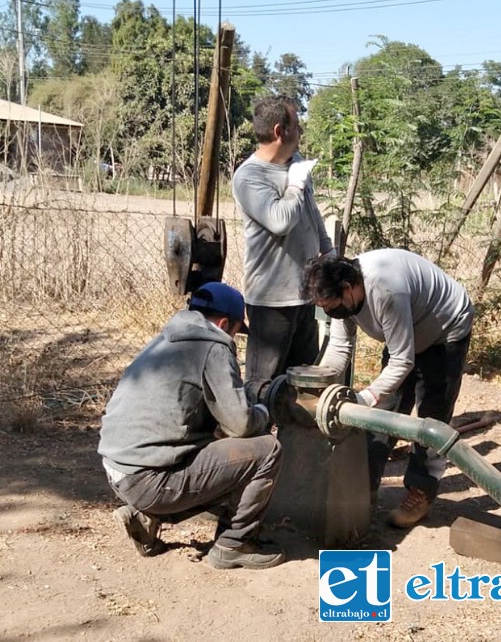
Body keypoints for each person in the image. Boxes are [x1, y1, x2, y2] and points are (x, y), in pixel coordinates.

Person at [97, 282, 284, 570]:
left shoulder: (168, 339)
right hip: (149, 480)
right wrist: (263, 410)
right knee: (266, 451)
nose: (235, 337)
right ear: (224, 323)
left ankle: (146, 517)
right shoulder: (214, 346)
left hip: (119, 473)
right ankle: (234, 544)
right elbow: (242, 425)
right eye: (236, 330)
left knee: (221, 454)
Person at [300, 249, 474, 529]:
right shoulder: (343, 293)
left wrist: (362, 398)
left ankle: (421, 491)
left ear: (348, 287)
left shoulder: (386, 289)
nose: (331, 312)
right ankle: (362, 488)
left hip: (445, 328)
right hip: (408, 333)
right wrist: (323, 385)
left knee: (432, 416)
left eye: (331, 305)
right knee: (382, 415)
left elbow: (402, 360)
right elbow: (340, 347)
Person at [232, 95, 334, 383]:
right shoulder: (249, 176)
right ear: (280, 131)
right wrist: (295, 183)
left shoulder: (296, 163)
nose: (301, 131)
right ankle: (257, 427)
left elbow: (311, 213)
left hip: (304, 293)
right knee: (263, 384)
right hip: (271, 300)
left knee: (301, 382)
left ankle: (292, 429)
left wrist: (329, 251)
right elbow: (281, 220)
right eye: (297, 125)